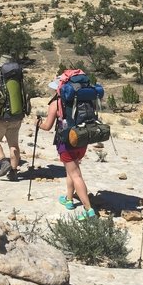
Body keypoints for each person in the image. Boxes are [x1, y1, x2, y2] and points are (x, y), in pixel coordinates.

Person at [37, 75, 96, 220]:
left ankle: (89, 210)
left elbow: (47, 126)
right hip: (81, 138)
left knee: (75, 175)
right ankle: (69, 199)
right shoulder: (81, 99)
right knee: (71, 171)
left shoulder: (56, 103)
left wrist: (38, 123)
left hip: (66, 142)